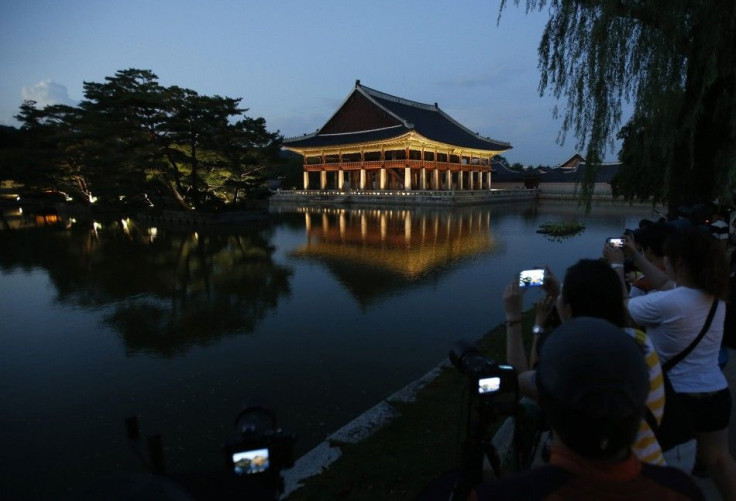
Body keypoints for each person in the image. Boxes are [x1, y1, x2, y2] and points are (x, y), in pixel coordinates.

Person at [473, 317, 704, 500]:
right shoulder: (679, 489)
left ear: (548, 408)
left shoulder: (503, 495)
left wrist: (517, 319)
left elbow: (520, 378)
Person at [504, 259, 666, 465]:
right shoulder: (641, 343)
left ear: (568, 309)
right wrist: (559, 294)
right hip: (648, 467)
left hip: (588, 479)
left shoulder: (569, 362)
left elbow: (519, 379)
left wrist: (513, 318)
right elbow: (587, 334)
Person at [623, 227, 736, 499]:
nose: (666, 263)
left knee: (667, 471)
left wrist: (617, 265)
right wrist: (636, 256)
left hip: (677, 401)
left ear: (680, 263)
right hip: (715, 394)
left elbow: (624, 306)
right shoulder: (714, 296)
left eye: (670, 259)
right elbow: (665, 284)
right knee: (720, 461)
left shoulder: (668, 303)